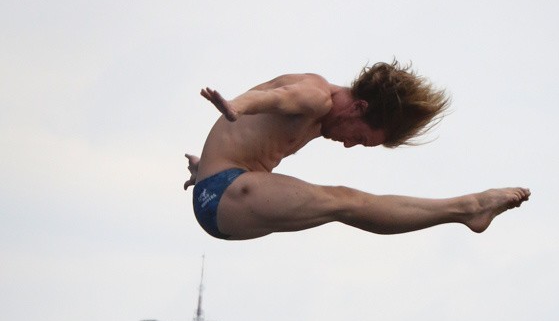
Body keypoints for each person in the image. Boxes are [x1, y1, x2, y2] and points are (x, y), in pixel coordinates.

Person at [185, 63, 529, 242]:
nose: (349, 145)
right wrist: (235, 106)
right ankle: (468, 209)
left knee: (346, 204)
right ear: (359, 108)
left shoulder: (319, 122)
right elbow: (278, 97)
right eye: (361, 139)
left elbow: (248, 137)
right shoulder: (316, 96)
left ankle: (467, 210)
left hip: (220, 190)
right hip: (223, 194)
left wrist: (207, 164)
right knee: (345, 202)